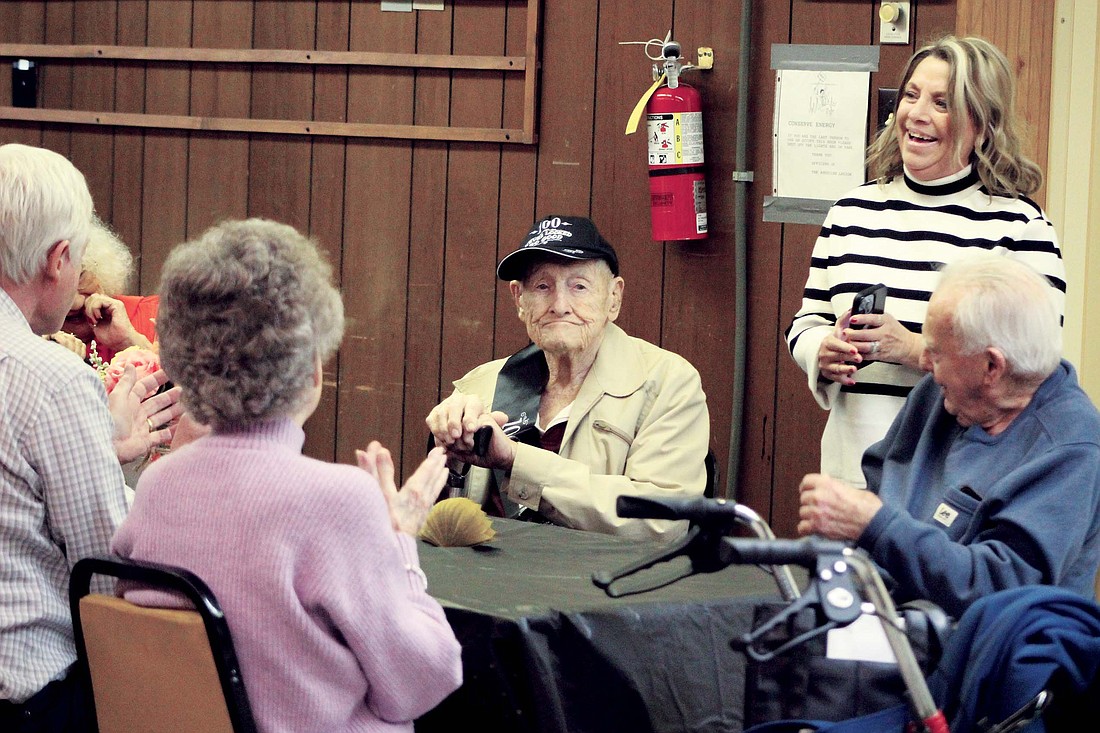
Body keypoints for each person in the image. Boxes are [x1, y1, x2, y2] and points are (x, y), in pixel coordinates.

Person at [111, 218, 462, 733]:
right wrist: (400, 542)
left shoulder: (158, 488)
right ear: (313, 370)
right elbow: (421, 682)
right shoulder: (340, 499)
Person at [786, 35, 1066, 488]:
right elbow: (807, 319)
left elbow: (1034, 371)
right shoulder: (851, 211)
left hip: (960, 493)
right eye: (911, 96)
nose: (916, 114)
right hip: (850, 479)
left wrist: (915, 350)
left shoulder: (1020, 228)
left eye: (942, 102)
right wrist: (822, 350)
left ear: (983, 122)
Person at [797, 254, 1100, 618]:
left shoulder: (1070, 446)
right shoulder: (939, 397)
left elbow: (998, 588)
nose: (927, 364)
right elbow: (880, 483)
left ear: (991, 366)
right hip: (881, 622)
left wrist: (876, 525)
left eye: (938, 354)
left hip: (982, 659)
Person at [0, 143, 180, 733]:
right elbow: (107, 576)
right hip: (30, 703)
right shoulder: (55, 381)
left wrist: (103, 452)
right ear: (58, 259)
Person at [426, 214, 710, 542]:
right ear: (519, 299)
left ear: (613, 298)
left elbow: (661, 523)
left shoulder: (668, 384)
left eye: (579, 286)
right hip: (491, 583)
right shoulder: (480, 386)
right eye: (543, 287)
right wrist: (450, 462)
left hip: (606, 585)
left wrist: (517, 460)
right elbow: (442, 527)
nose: (560, 305)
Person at [47, 217, 158, 364]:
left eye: (80, 277)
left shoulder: (157, 315)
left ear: (101, 270)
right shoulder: (28, 339)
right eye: (56, 286)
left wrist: (129, 340)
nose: (75, 303)